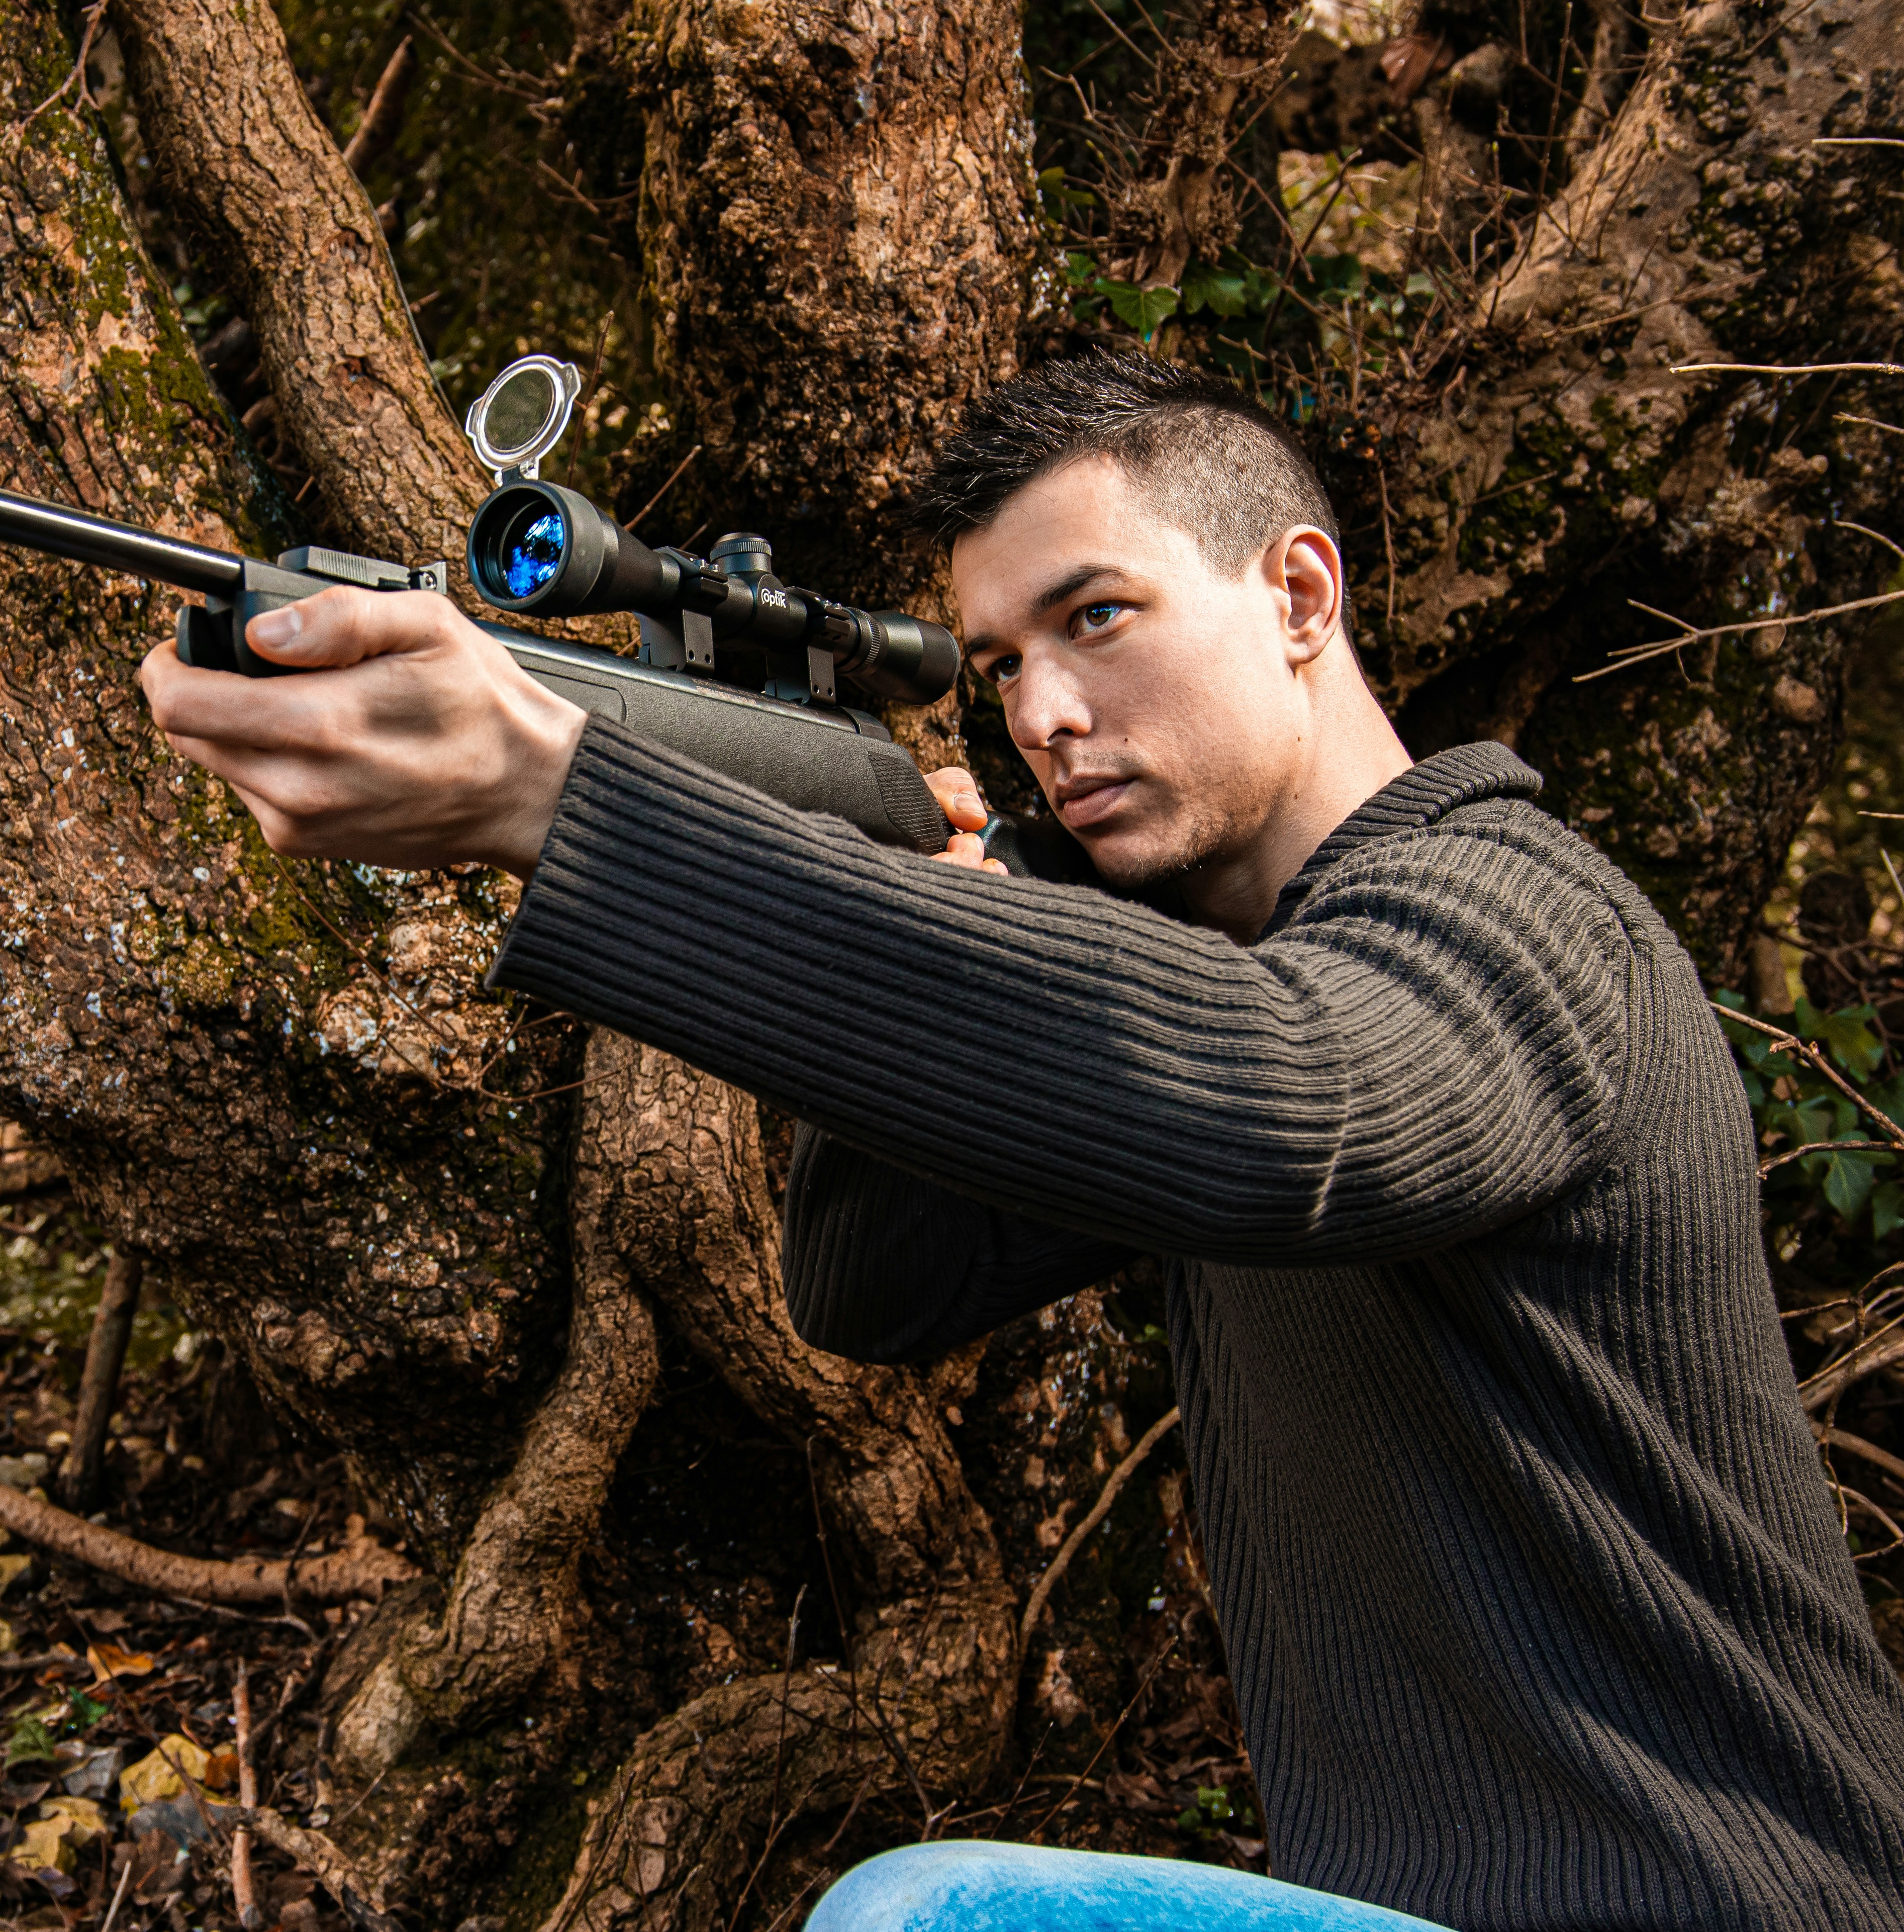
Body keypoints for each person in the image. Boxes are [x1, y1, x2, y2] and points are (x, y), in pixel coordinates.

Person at [138, 351, 1904, 1930]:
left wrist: (565, 804)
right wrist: (945, 899)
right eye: (998, 667)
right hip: (1393, 1905)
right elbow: (870, 1284)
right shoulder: (1223, 963)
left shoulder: (1524, 915)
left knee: (921, 1916)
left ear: (1298, 595)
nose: (1044, 715)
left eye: (1099, 618)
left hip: (1716, 1901)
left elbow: (1283, 1099)